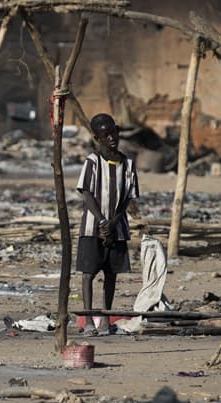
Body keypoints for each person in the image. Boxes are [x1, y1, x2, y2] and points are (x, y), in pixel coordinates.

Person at [76, 113, 139, 336]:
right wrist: (102, 220)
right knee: (88, 273)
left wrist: (113, 222)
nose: (111, 138)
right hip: (93, 227)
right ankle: (88, 320)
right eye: (105, 135)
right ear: (98, 138)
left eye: (113, 133)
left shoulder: (128, 164)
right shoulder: (92, 162)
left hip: (117, 228)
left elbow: (128, 197)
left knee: (111, 274)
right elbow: (87, 193)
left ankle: (105, 320)